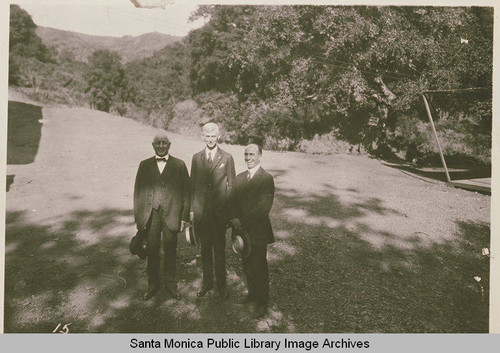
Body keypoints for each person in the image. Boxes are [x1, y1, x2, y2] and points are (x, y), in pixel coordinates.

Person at [133, 132, 190, 300]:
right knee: (152, 249)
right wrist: (139, 219)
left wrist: (184, 218)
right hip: (151, 215)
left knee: (171, 249)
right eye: (157, 143)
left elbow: (187, 193)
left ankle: (170, 285)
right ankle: (153, 285)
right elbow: (137, 192)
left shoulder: (179, 165)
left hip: (172, 214)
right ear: (153, 145)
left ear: (169, 145)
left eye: (164, 143)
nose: (161, 146)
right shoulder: (144, 165)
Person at [190, 122, 235, 299]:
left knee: (220, 251)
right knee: (205, 251)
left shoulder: (227, 158)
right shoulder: (196, 158)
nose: (210, 139)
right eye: (207, 136)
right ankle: (207, 283)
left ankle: (221, 286)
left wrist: (229, 213)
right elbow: (192, 185)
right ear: (203, 136)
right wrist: (192, 211)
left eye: (213, 136)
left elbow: (231, 186)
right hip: (202, 214)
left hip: (219, 215)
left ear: (218, 136)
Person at [230, 144, 275, 318]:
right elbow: (231, 201)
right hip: (240, 231)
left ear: (260, 155)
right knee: (246, 264)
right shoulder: (240, 178)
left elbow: (264, 207)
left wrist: (243, 222)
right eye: (246, 154)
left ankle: (262, 302)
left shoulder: (266, 178)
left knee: (259, 266)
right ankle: (252, 294)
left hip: (257, 231)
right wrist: (234, 220)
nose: (249, 157)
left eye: (252, 154)